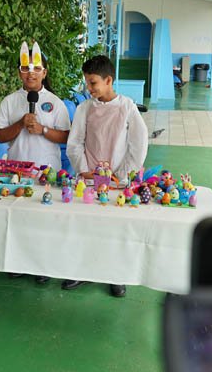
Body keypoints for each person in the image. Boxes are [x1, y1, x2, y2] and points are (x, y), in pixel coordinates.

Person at [63, 54, 149, 298]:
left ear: (108, 80)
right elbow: (75, 142)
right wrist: (83, 169)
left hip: (117, 182)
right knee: (85, 226)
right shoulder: (85, 108)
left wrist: (121, 175)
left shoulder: (127, 107)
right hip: (89, 178)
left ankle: (116, 275)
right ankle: (81, 270)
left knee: (115, 229)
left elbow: (138, 144)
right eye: (87, 83)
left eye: (93, 83)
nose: (89, 89)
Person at [0, 41, 71, 285]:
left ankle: (44, 264)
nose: (31, 73)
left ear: (44, 73)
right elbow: (0, 136)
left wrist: (43, 129)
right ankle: (19, 262)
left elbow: (66, 136)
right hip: (17, 171)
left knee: (46, 219)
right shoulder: (9, 101)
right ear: (19, 72)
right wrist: (20, 124)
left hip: (47, 171)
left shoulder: (55, 102)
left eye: (37, 69)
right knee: (20, 218)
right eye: (26, 69)